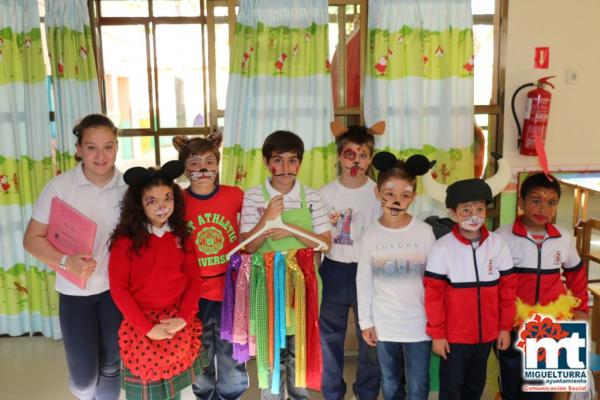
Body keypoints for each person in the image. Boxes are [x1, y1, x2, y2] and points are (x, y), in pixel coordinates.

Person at [23, 114, 125, 400]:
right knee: (83, 379)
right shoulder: (59, 187)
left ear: (117, 147)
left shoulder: (129, 186)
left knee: (111, 366)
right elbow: (31, 240)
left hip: (115, 291)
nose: (101, 155)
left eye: (109, 146)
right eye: (92, 147)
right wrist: (67, 262)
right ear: (79, 149)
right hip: (74, 293)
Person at [240, 130, 332, 399]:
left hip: (303, 287)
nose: (285, 168)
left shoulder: (312, 197)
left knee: (298, 353)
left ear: (300, 164)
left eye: (292, 161)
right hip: (266, 288)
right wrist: (267, 219)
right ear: (267, 162)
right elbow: (248, 246)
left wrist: (289, 228)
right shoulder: (255, 196)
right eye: (277, 160)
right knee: (272, 355)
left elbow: (325, 243)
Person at [109, 160, 207, 399]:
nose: (162, 206)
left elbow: (195, 279)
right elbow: (119, 289)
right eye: (152, 200)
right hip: (142, 327)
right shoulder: (126, 241)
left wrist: (183, 318)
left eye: (168, 198)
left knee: (176, 391)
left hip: (176, 324)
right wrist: (147, 328)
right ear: (139, 205)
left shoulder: (182, 236)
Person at [495, 172, 588, 399]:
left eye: (551, 203)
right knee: (512, 380)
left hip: (550, 325)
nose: (543, 208)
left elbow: (576, 275)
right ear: (521, 202)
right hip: (513, 322)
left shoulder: (564, 238)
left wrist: (582, 307)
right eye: (535, 200)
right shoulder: (502, 237)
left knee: (542, 387)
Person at [424, 177, 517, 400]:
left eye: (479, 209)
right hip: (454, 338)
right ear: (454, 214)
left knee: (475, 386)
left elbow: (508, 290)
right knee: (451, 387)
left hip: (486, 336)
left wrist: (504, 327)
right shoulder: (442, 247)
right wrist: (438, 334)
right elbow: (433, 295)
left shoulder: (497, 244)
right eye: (466, 210)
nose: (474, 216)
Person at [172, 132, 249, 400]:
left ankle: (231, 394)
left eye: (209, 161)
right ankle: (204, 394)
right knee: (198, 349)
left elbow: (253, 226)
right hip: (193, 292)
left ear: (218, 164)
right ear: (184, 168)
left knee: (231, 350)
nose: (203, 168)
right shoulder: (177, 201)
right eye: (194, 163)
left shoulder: (234, 195)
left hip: (230, 288)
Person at [357, 151, 435, 400]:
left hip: (419, 324)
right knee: (389, 381)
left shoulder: (424, 232)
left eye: (404, 195)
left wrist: (437, 322)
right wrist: (365, 322)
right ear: (378, 193)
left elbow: (435, 281)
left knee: (418, 383)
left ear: (413, 197)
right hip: (384, 324)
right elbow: (364, 281)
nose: (396, 201)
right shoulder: (370, 235)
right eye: (389, 194)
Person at [318, 122, 384, 400]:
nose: (356, 161)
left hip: (368, 271)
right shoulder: (324, 194)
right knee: (329, 338)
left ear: (371, 158)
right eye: (349, 154)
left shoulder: (379, 194)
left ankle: (366, 392)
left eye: (363, 155)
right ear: (338, 155)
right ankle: (332, 392)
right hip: (333, 269)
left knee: (370, 337)